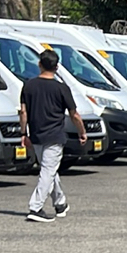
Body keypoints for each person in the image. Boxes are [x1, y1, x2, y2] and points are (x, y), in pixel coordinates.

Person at [19, 49, 86, 223]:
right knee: (48, 171)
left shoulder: (28, 86)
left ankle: (60, 202)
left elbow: (23, 112)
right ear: (57, 67)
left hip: (36, 135)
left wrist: (23, 133)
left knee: (49, 170)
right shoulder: (62, 88)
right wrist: (82, 132)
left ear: (39, 65)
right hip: (55, 136)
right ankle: (36, 207)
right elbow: (74, 114)